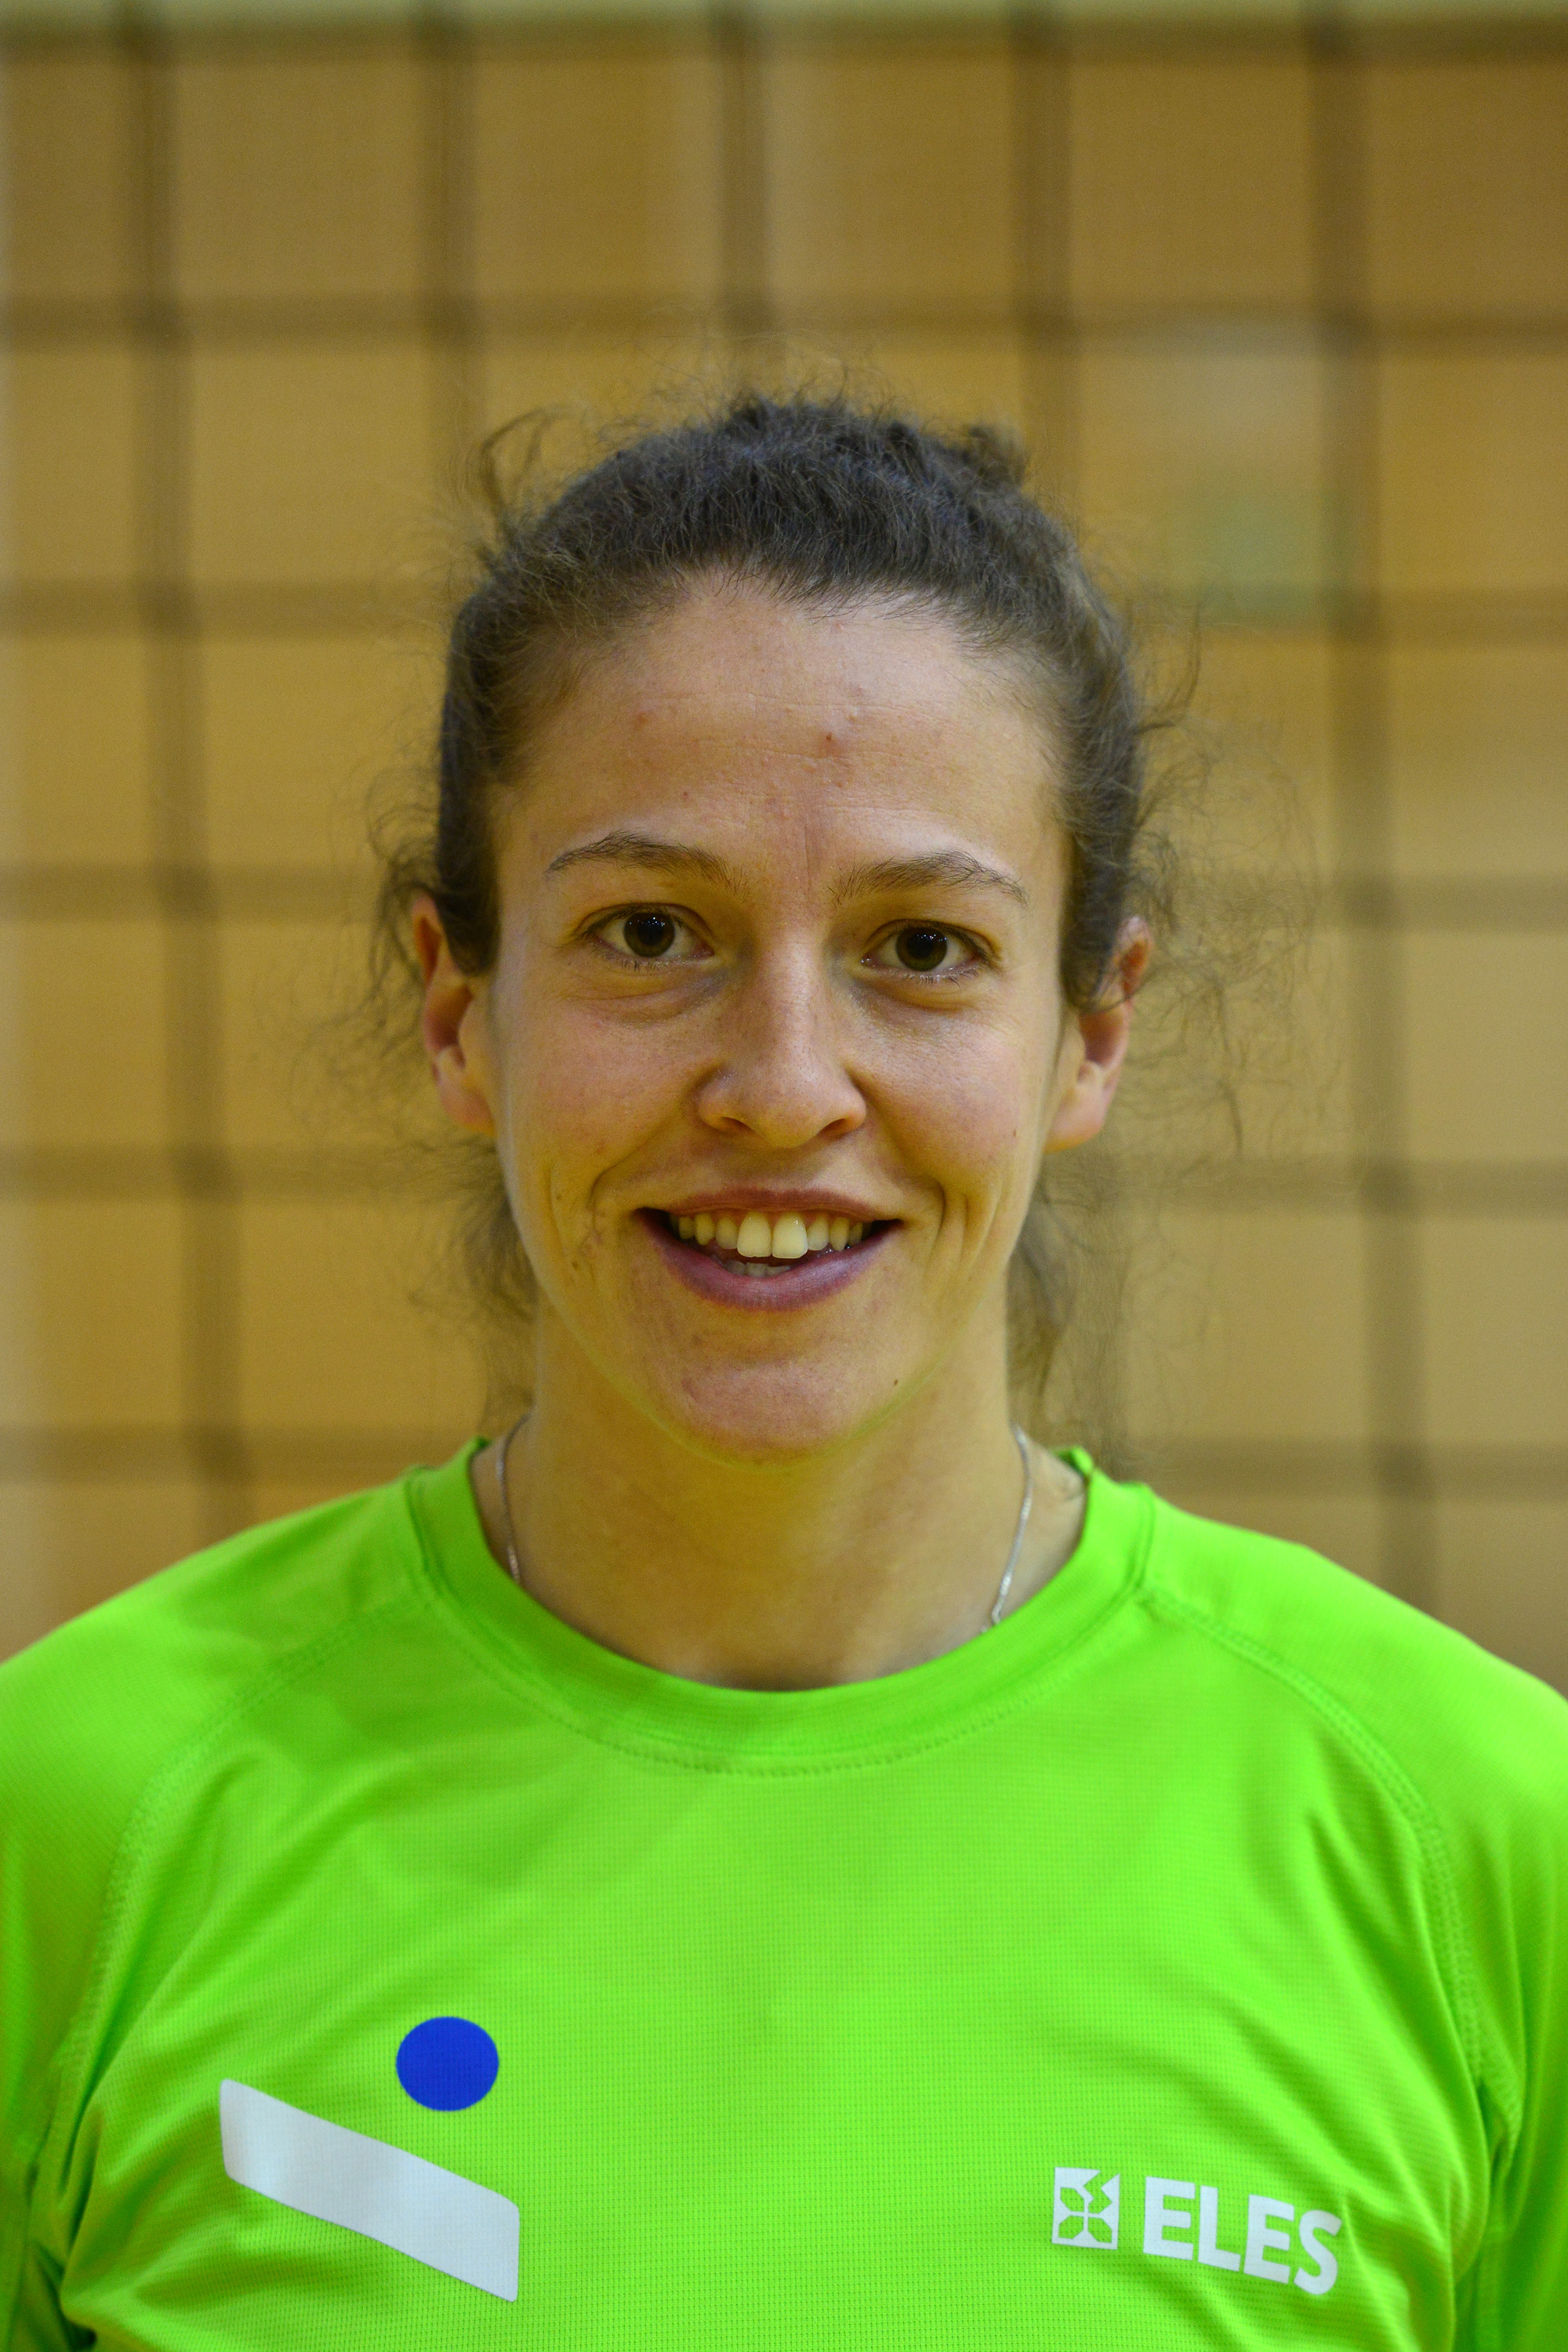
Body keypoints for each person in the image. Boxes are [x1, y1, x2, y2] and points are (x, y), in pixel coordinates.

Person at [2, 395, 1564, 2350]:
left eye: (924, 948)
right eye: (651, 931)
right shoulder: (78, 1811)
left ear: (1091, 1030)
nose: (782, 1086)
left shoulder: (1471, 1838)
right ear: (460, 1007)